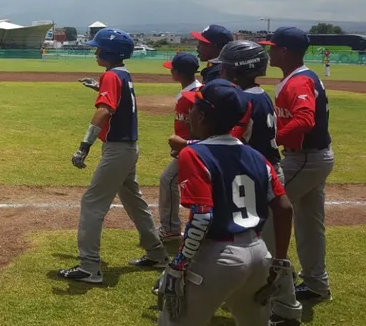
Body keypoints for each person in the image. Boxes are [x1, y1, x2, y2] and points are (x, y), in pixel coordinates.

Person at [155, 79, 294, 325]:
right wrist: (280, 261)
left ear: (204, 117)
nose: (189, 113)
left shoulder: (194, 153)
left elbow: (202, 216)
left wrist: (178, 264)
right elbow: (283, 207)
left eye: (194, 108)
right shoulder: (256, 156)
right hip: (258, 254)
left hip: (217, 257)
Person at [61, 28, 167, 284]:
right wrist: (99, 87)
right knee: (134, 202)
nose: (95, 51)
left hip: (117, 150)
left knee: (92, 203)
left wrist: (84, 145)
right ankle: (157, 254)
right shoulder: (122, 74)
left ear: (110, 52)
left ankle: (89, 267)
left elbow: (105, 111)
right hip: (128, 148)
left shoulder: (111, 75)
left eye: (98, 48)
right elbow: (118, 102)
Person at [259, 27, 334, 305]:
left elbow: (305, 121)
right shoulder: (297, 78)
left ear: (284, 51)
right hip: (312, 157)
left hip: (305, 158)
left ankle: (278, 281)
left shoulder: (299, 81)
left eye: (272, 47)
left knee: (269, 208)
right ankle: (315, 284)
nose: (269, 52)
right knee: (309, 224)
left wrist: (272, 139)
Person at [157, 53, 201, 242]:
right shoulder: (189, 92)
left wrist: (186, 145)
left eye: (172, 69)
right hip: (186, 148)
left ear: (177, 73)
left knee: (167, 179)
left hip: (194, 150)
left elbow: (201, 127)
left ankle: (171, 229)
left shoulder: (195, 95)